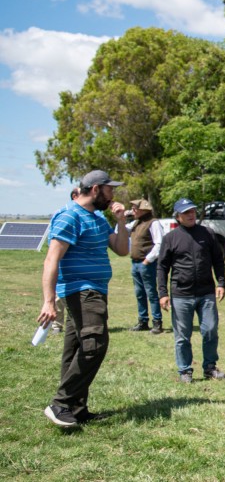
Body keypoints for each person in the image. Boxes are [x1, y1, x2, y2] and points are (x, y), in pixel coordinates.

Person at [37, 170, 129, 427]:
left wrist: (121, 222)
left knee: (75, 348)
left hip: (96, 290)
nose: (114, 195)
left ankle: (76, 410)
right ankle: (61, 403)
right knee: (95, 344)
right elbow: (51, 259)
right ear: (96, 189)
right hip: (82, 291)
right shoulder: (70, 216)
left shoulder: (98, 219)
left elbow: (122, 250)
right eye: (110, 189)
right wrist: (48, 300)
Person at [156, 198, 225, 384]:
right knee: (182, 336)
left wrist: (221, 282)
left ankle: (210, 367)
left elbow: (218, 261)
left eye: (193, 211)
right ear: (178, 216)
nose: (191, 215)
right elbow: (162, 267)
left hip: (206, 293)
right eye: (186, 212)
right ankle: (185, 370)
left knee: (211, 330)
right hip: (181, 295)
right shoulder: (170, 238)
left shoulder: (207, 233)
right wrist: (163, 293)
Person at [128, 199, 165, 334]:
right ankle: (143, 321)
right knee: (139, 293)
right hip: (136, 262)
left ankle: (157, 322)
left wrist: (148, 260)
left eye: (135, 209)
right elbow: (119, 230)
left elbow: (159, 244)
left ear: (143, 210)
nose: (133, 211)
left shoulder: (153, 223)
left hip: (145, 263)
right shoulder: (137, 222)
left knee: (151, 293)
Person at [50, 187, 81, 334]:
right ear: (75, 196)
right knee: (58, 297)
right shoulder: (63, 213)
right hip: (63, 265)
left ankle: (73, 324)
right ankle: (57, 325)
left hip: (77, 270)